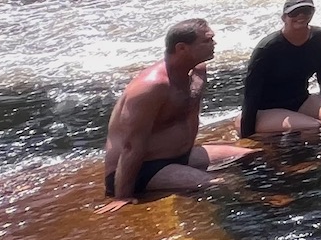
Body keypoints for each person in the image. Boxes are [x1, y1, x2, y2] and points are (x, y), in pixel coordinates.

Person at [101, 17, 252, 207]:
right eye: (207, 40)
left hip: (181, 156)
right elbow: (132, 144)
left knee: (251, 155)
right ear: (182, 48)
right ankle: (262, 207)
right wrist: (122, 195)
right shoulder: (152, 86)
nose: (214, 43)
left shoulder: (197, 70)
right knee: (219, 184)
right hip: (143, 168)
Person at [240, 0, 321, 136]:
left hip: (301, 100)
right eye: (295, 12)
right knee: (312, 126)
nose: (301, 16)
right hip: (266, 110)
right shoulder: (267, 48)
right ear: (283, 18)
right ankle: (308, 158)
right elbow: (251, 94)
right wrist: (246, 136)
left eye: (307, 11)